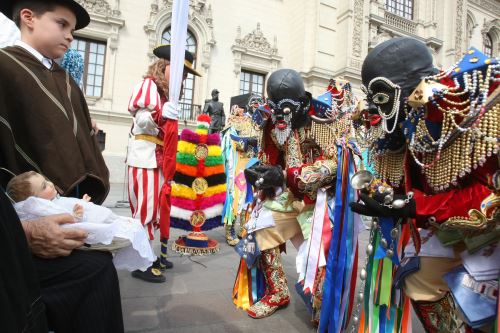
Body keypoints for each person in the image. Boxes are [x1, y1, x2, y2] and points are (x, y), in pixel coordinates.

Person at [350, 37, 499, 332]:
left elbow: (492, 195)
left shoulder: (470, 110)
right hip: (450, 230)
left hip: (490, 231)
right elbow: (413, 179)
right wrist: (389, 198)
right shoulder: (409, 120)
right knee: (416, 279)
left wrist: (416, 205)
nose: (378, 113)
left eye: (382, 99)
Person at [0, 1, 123, 332]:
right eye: (62, 24)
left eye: (73, 30)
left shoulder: (65, 78)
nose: (70, 36)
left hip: (69, 204)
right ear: (28, 17)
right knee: (93, 274)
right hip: (27, 213)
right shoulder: (5, 67)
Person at [126, 44, 201, 282]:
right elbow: (140, 122)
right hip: (145, 156)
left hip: (156, 158)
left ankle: (148, 255)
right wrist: (159, 115)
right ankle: (141, 262)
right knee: (145, 211)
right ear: (165, 66)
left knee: (155, 210)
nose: (185, 78)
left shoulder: (165, 94)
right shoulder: (148, 86)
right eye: (183, 72)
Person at [8, 171, 156, 271]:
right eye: (44, 186)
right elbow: (64, 221)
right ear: (34, 201)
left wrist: (81, 203)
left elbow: (66, 206)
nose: (51, 183)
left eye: (46, 180)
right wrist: (76, 215)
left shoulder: (53, 200)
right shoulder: (44, 209)